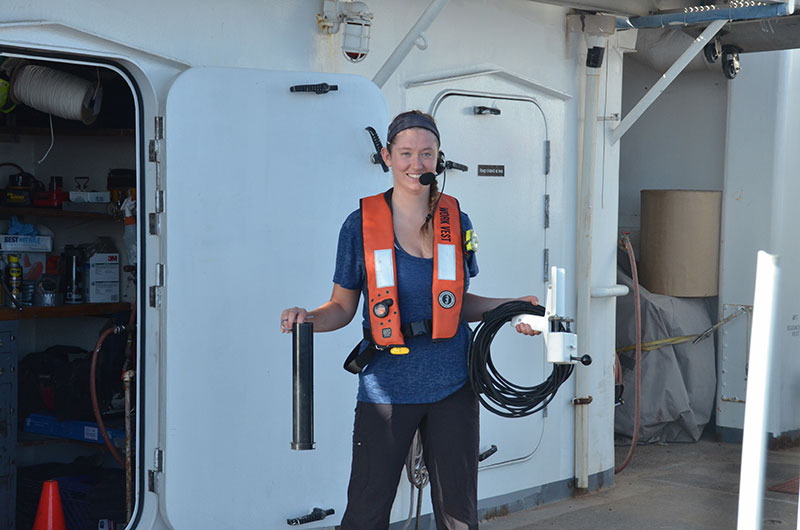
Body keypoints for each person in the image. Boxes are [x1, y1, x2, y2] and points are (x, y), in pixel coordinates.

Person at [280, 110, 539, 530]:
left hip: (454, 382)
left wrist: (513, 307)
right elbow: (342, 308)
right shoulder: (359, 225)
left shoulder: (458, 222)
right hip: (387, 387)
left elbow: (458, 305)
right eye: (405, 153)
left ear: (438, 159)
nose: (415, 164)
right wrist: (307, 318)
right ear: (386, 156)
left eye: (426, 154)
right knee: (366, 508)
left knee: (459, 515)